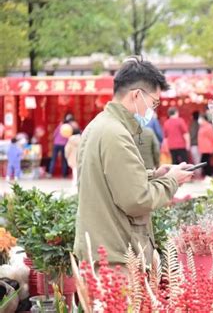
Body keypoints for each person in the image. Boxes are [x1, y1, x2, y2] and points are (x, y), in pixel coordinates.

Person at [74, 58, 194, 268]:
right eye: (154, 103)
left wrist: (154, 175)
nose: (153, 110)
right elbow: (137, 200)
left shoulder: (99, 125)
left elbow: (108, 180)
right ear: (137, 95)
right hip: (114, 256)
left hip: (100, 250)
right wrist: (172, 181)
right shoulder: (116, 134)